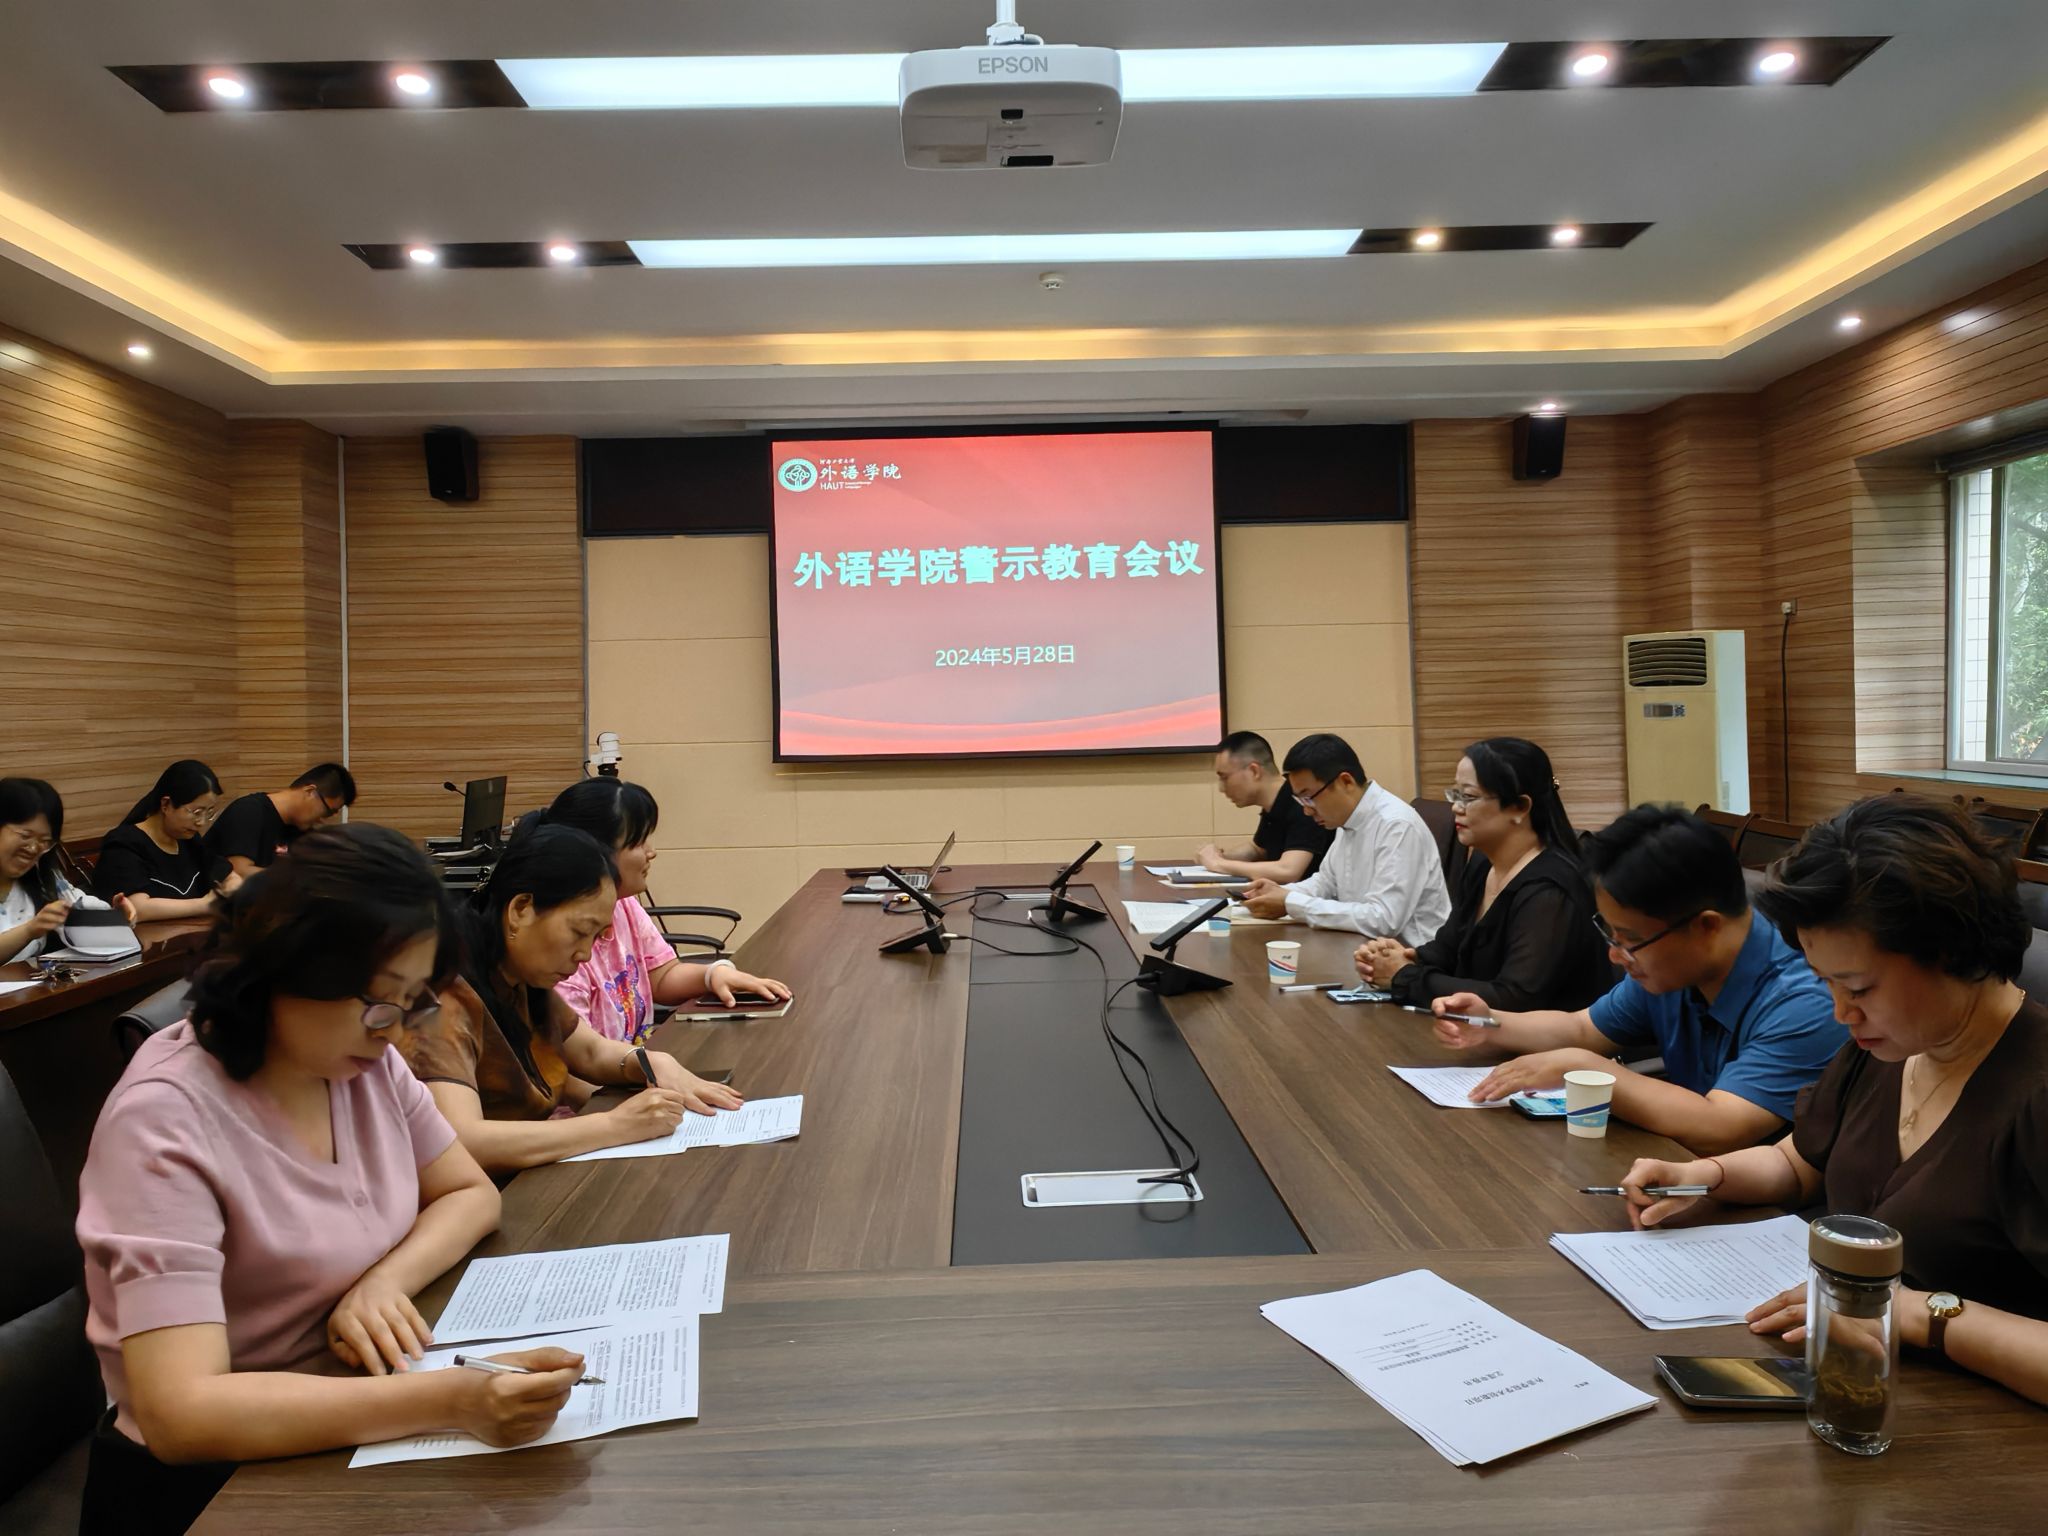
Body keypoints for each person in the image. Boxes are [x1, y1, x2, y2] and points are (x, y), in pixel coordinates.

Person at [73, 825, 582, 1536]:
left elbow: (469, 1194)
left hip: (352, 1415)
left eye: (413, 1001)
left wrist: (382, 1283)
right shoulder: (163, 1120)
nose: (395, 1030)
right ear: (287, 968)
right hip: (217, 1487)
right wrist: (451, 1402)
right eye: (382, 1001)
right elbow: (182, 1413)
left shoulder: (362, 1059)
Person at [1621, 796, 2048, 1407]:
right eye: (1826, 983)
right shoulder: (1888, 1048)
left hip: (1986, 1429)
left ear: (1953, 951)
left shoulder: (2034, 1093)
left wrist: (1922, 1314)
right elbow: (1800, 1161)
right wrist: (1706, 1176)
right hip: (1859, 1386)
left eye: (1859, 988)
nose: (1841, 1012)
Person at [1428, 804, 1844, 1154]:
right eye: (1610, 933)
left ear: (1706, 927)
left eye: (1629, 940)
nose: (1615, 954)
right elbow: (1583, 1029)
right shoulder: (1676, 967)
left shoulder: (1806, 998)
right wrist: (1490, 1023)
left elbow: (1723, 1125)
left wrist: (1586, 1068)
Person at [395, 822, 744, 1174]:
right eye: (579, 932)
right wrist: (613, 1125)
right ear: (521, 910)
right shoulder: (446, 994)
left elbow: (589, 1050)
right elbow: (460, 1140)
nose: (585, 954)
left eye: (595, 937)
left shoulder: (517, 976)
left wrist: (652, 1062)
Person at [1355, 738, 1610, 1012]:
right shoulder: (1483, 862)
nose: (1456, 807)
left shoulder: (1550, 889)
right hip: (1478, 1030)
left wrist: (1404, 977)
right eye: (1455, 794)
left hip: (1547, 1036)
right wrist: (1402, 958)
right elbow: (1449, 948)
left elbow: (1514, 998)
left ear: (1520, 807)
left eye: (1468, 797)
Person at [537, 777, 790, 1043]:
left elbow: (661, 977)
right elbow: (584, 1056)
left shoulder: (623, 904)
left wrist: (713, 974)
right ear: (593, 853)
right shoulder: (559, 951)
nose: (651, 852)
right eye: (638, 843)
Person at [1237, 733, 1451, 943]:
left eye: (1308, 798)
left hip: (1410, 955)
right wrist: (1278, 893)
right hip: (1362, 946)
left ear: (1346, 782)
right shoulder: (1346, 820)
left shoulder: (1397, 825)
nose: (1307, 811)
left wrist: (1290, 902)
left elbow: (1383, 919)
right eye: (1300, 801)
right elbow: (1325, 883)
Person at [93, 760, 241, 922]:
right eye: (196, 812)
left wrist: (231, 890)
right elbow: (136, 908)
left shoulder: (189, 840)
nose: (202, 822)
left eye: (209, 813)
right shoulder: (123, 844)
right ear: (166, 804)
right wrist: (206, 904)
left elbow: (230, 877)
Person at [1, 775, 121, 964]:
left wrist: (116, 917)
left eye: (44, 841)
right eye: (25, 835)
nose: (33, 849)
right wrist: (29, 930)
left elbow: (80, 907)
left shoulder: (43, 879)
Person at [1194, 731, 1335, 883]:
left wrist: (1219, 864)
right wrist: (1221, 856)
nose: (1221, 788)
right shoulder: (1276, 802)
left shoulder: (1300, 801)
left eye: (1225, 777)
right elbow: (1258, 850)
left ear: (1254, 771)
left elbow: (1288, 871)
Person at [204, 762, 356, 878]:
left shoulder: (301, 831)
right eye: (327, 811)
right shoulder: (249, 811)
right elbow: (238, 872)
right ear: (310, 792)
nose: (322, 820)